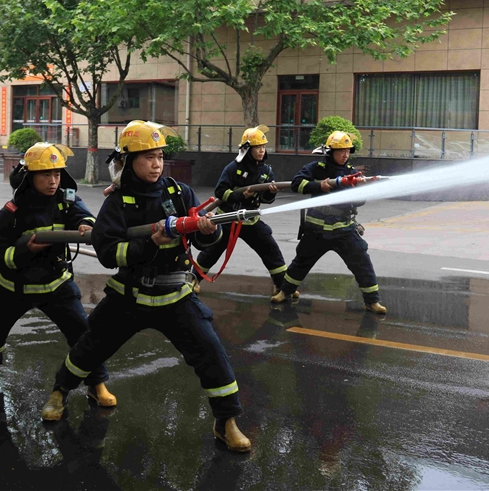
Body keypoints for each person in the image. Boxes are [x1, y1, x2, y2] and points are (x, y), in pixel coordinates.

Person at [44, 120, 251, 452]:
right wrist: (149, 244)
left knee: (211, 353)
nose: (156, 164)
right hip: (131, 296)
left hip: (175, 296)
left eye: (160, 157)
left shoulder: (179, 193)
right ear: (129, 161)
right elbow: (108, 253)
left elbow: (199, 240)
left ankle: (226, 421)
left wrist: (210, 231)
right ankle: (60, 391)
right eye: (148, 157)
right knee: (90, 347)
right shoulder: (118, 202)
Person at [0, 142, 117, 412]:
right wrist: (26, 250)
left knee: (82, 333)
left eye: (57, 174)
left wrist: (85, 224)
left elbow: (83, 215)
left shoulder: (66, 202)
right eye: (46, 174)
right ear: (29, 177)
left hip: (56, 285)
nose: (53, 181)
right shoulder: (11, 212)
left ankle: (97, 383)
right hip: (13, 287)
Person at [270, 132, 387, 314]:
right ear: (331, 152)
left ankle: (372, 301)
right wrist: (319, 186)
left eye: (347, 151)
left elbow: (359, 202)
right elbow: (296, 183)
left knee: (362, 262)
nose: (345, 155)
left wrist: (360, 190)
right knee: (301, 262)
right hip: (316, 229)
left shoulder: (351, 172)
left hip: (344, 229)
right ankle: (285, 292)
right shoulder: (316, 168)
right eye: (341, 151)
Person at [192, 125, 290, 297]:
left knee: (270, 250)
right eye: (257, 147)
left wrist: (270, 193)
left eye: (263, 147)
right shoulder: (233, 168)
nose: (262, 150)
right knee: (212, 251)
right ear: (247, 149)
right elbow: (220, 192)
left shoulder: (266, 171)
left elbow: (266, 200)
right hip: (227, 218)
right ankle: (194, 279)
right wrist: (240, 195)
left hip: (250, 219)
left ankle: (281, 285)